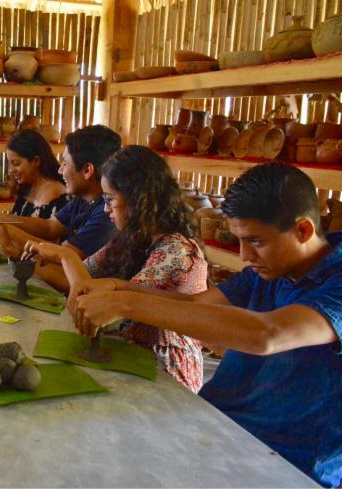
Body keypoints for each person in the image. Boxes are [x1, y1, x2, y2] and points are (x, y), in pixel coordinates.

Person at [68, 162, 341, 486]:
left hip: (288, 464)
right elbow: (196, 306)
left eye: (255, 241)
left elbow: (268, 334)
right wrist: (116, 286)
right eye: (239, 240)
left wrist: (127, 303)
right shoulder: (271, 270)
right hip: (222, 429)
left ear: (303, 231)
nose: (243, 256)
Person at [26, 146, 207, 392]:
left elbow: (107, 300)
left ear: (139, 199)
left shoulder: (177, 252)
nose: (105, 209)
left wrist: (66, 255)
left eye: (111, 200)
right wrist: (19, 248)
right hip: (126, 355)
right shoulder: (132, 238)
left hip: (166, 374)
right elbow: (86, 275)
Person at [0, 125, 119, 292]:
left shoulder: (107, 215)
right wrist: (0, 218)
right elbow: (49, 227)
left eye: (65, 163)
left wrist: (9, 234)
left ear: (87, 170)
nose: (60, 170)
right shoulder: (83, 199)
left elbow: (62, 256)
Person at [6, 129, 68, 218]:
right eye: (9, 164)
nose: (11, 170)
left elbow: (51, 229)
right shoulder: (26, 188)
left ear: (36, 161)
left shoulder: (58, 194)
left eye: (16, 163)